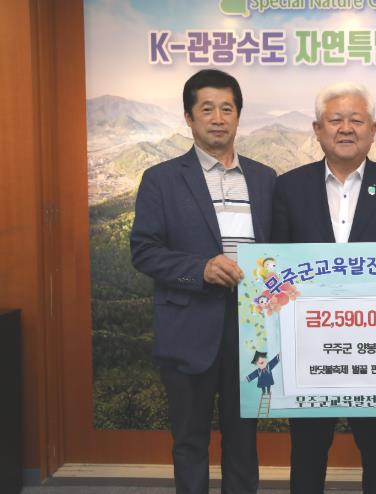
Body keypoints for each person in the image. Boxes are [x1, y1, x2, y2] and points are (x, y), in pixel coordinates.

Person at [271, 82, 376, 494]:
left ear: (373, 130)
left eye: (356, 119)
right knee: (307, 453)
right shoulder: (288, 187)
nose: (346, 128)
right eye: (335, 119)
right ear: (317, 129)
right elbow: (276, 268)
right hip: (309, 350)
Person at [130, 69, 276, 494]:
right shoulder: (161, 179)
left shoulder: (264, 178)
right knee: (190, 440)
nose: (217, 118)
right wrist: (200, 269)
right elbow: (144, 250)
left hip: (251, 330)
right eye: (207, 109)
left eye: (227, 109)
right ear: (189, 118)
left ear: (238, 116)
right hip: (188, 326)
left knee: (244, 440)